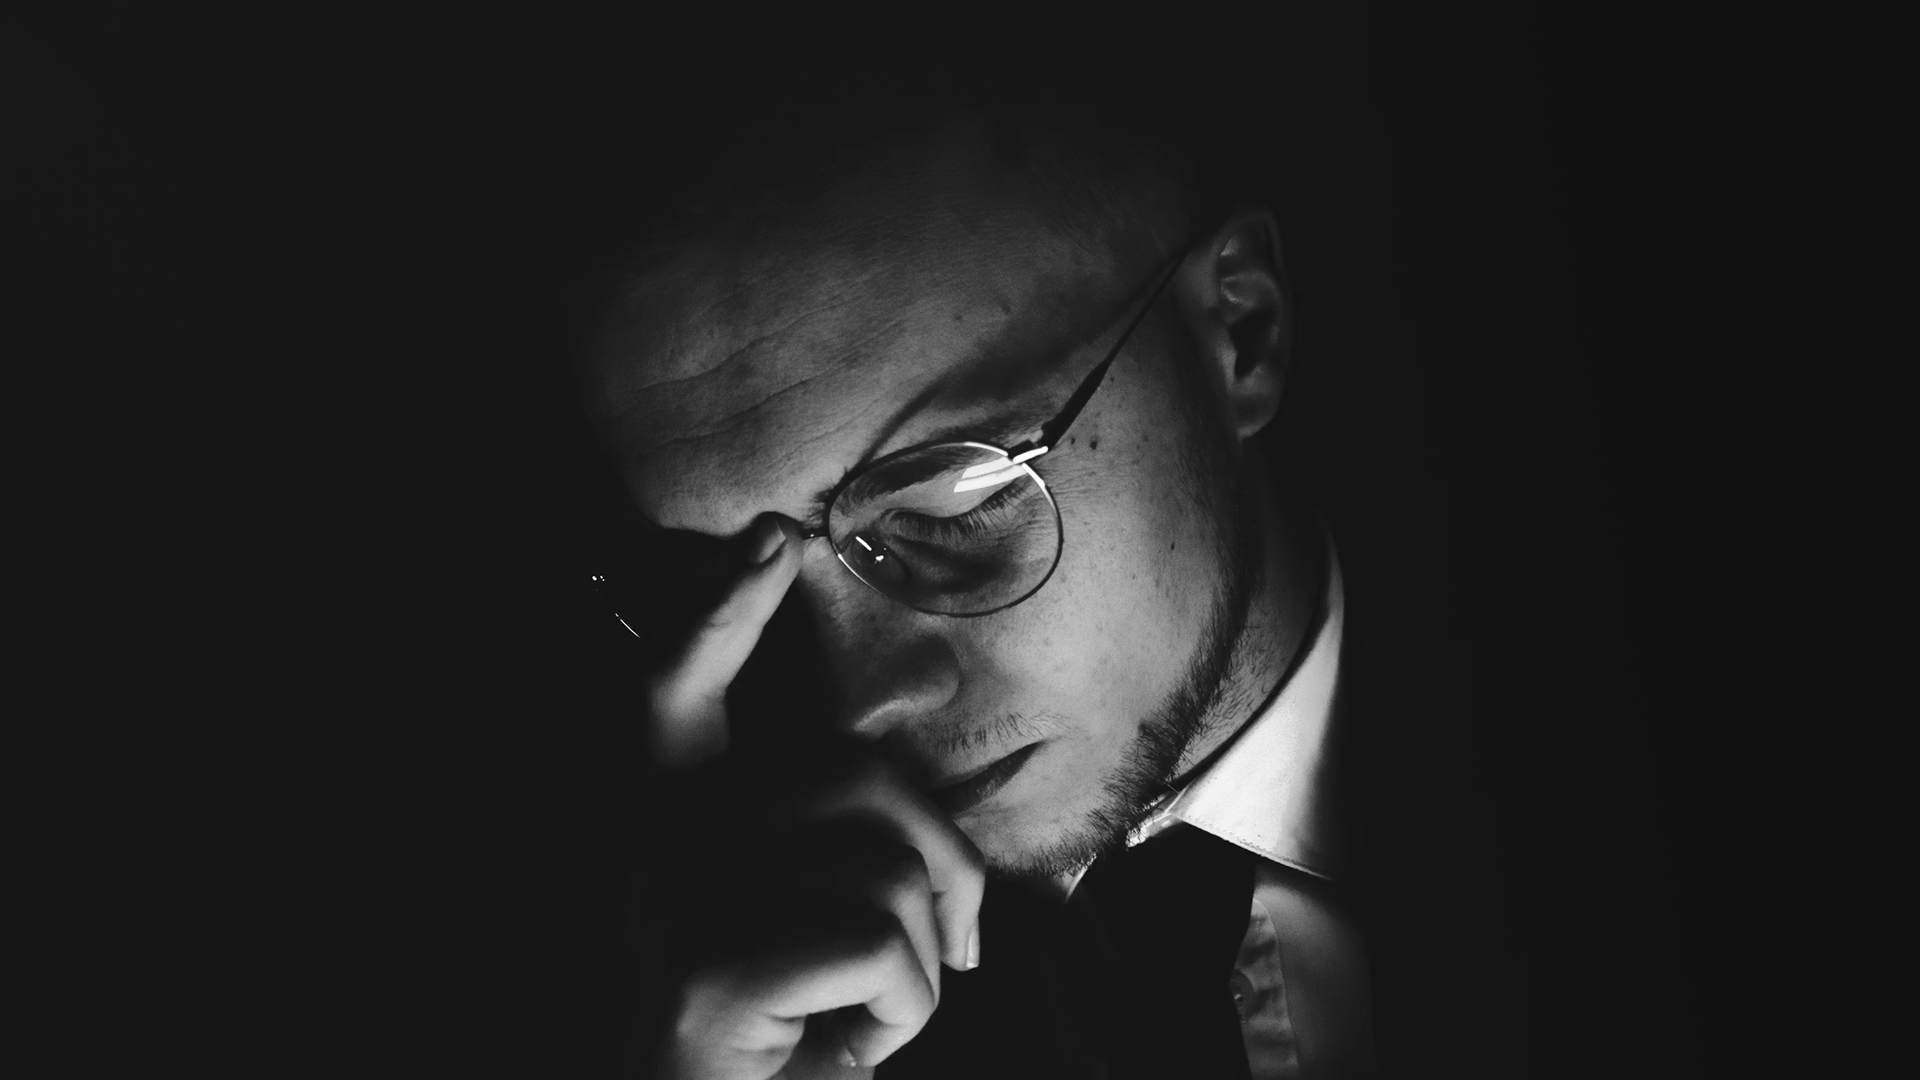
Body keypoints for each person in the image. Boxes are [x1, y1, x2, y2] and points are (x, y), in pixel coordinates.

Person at [571, 50, 1374, 1079]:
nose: (861, 705)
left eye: (951, 506)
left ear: (1240, 330)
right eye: (721, 587)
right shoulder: (714, 975)